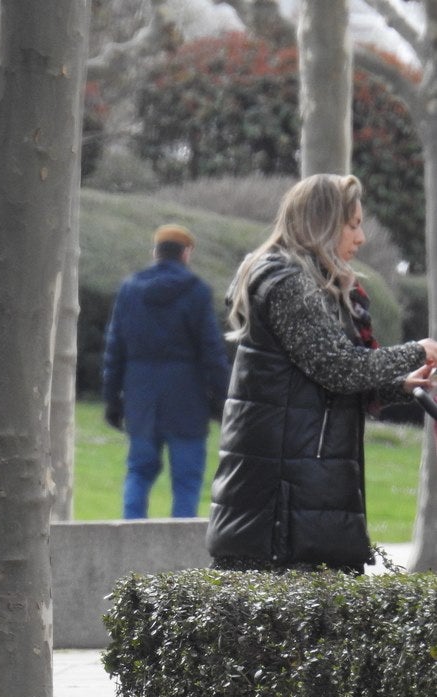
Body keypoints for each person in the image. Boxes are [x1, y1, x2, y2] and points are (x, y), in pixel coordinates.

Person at [207, 173, 437, 573]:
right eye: (352, 225)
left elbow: (325, 379)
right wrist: (418, 350)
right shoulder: (287, 284)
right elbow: (339, 367)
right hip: (281, 507)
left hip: (297, 494)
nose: (361, 238)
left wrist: (401, 385)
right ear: (322, 224)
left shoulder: (309, 283)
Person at [102, 224, 230, 519]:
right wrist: (222, 398)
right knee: (186, 483)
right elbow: (212, 352)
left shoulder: (130, 290)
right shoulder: (197, 292)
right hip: (187, 401)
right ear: (186, 254)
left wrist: (112, 400)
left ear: (155, 252)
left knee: (138, 472)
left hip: (141, 399)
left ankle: (131, 547)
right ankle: (181, 561)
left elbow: (114, 349)